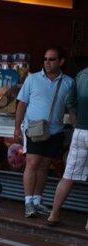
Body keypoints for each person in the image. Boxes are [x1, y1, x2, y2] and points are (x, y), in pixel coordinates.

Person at [14, 47, 74, 218]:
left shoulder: (68, 83)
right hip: (34, 128)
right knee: (32, 163)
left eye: (52, 59)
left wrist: (77, 128)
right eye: (45, 59)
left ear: (61, 61)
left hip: (55, 130)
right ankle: (28, 203)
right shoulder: (32, 79)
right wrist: (17, 127)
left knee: (44, 166)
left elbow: (71, 109)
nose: (47, 62)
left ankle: (37, 201)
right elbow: (22, 104)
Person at [46, 65, 88, 229]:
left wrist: (78, 121)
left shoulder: (82, 74)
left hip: (80, 131)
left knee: (68, 175)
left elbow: (69, 100)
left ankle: (53, 214)